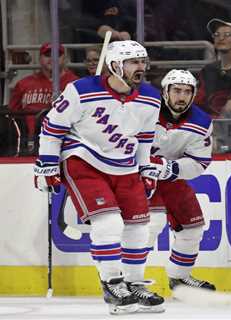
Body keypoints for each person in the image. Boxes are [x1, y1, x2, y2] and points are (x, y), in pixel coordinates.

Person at [33, 40, 164, 315]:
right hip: (83, 159)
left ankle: (134, 284)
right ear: (115, 65)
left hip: (125, 164)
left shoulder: (151, 97)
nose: (141, 67)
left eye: (143, 61)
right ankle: (112, 284)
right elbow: (52, 127)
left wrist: (145, 168)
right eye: (134, 62)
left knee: (140, 227)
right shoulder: (81, 90)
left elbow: (144, 137)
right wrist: (47, 165)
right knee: (108, 223)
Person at [147, 69, 216, 291]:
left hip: (170, 177)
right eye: (176, 90)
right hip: (139, 177)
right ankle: (125, 279)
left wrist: (170, 168)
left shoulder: (202, 121)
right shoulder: (145, 110)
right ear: (165, 91)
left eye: (187, 91)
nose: (182, 96)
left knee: (193, 227)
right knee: (150, 225)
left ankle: (179, 278)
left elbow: (199, 162)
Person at [8, 42, 78, 155]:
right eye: (47, 55)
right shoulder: (24, 84)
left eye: (57, 55)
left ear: (64, 58)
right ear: (40, 58)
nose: (52, 59)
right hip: (27, 142)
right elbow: (12, 114)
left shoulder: (75, 83)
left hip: (63, 141)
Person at [194, 19, 231, 117]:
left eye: (227, 34)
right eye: (216, 35)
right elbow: (199, 100)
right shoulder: (208, 70)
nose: (221, 38)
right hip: (211, 122)